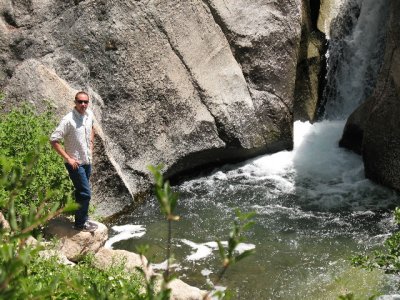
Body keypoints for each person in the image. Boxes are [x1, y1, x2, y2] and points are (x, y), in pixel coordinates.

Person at [50, 91, 98, 232]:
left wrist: (91, 142)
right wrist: (68, 158)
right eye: (80, 101)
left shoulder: (89, 115)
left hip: (87, 160)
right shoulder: (68, 120)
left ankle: (83, 216)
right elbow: (54, 140)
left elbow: (92, 127)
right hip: (75, 163)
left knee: (81, 192)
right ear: (75, 102)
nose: (83, 104)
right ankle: (80, 224)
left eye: (85, 102)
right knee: (85, 193)